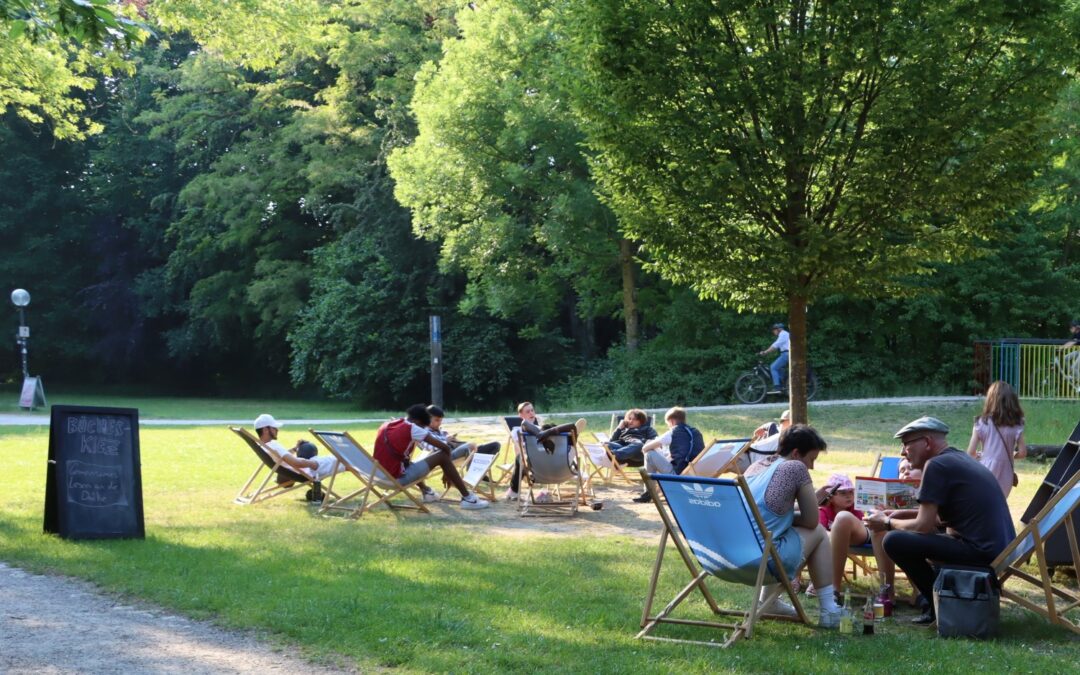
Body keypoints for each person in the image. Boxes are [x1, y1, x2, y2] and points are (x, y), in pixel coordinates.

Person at [866, 416, 1016, 625]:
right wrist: (897, 515)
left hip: (981, 551)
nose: (902, 452)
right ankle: (935, 603)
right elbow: (936, 517)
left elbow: (922, 525)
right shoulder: (958, 458)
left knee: (893, 541)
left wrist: (887, 523)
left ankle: (937, 604)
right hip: (1001, 548)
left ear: (927, 442)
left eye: (906, 444)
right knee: (914, 536)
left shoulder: (936, 465)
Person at [743, 424, 843, 627]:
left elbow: (768, 511)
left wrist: (794, 513)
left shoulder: (756, 467)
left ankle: (769, 603)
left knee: (785, 532)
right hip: (763, 562)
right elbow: (811, 521)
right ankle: (829, 610)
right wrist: (809, 508)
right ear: (797, 453)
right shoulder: (794, 468)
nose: (812, 467)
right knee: (819, 531)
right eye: (811, 459)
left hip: (735, 556)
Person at [373, 404, 489, 510]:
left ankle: (427, 492)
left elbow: (403, 460)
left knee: (408, 462)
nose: (422, 429)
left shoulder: (389, 424)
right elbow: (445, 448)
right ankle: (468, 498)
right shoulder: (413, 428)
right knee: (442, 456)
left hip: (375, 476)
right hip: (394, 480)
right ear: (418, 421)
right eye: (422, 426)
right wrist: (447, 473)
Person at [504, 402, 585, 501]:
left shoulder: (535, 447)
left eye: (532, 410)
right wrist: (550, 432)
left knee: (519, 458)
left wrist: (542, 436)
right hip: (562, 473)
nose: (531, 413)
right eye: (528, 411)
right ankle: (513, 491)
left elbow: (524, 424)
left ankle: (513, 490)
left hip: (539, 474)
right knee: (571, 453)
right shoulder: (569, 450)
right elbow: (572, 426)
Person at [254, 413, 337, 501]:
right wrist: (313, 463)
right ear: (266, 430)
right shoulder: (274, 445)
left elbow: (282, 457)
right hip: (309, 471)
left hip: (295, 471)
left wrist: (295, 449)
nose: (277, 430)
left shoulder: (263, 446)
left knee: (335, 459)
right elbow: (297, 463)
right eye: (274, 428)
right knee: (341, 460)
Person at [966, 381, 1027, 498]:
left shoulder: (981, 422)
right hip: (1006, 471)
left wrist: (981, 455)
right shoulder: (1017, 424)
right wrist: (1010, 455)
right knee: (1000, 503)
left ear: (990, 400)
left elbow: (970, 453)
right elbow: (1023, 453)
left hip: (985, 470)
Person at [633, 407, 705, 503]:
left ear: (671, 421)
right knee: (657, 453)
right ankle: (649, 492)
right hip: (696, 472)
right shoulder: (696, 432)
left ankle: (649, 492)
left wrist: (655, 448)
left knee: (649, 454)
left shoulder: (672, 432)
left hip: (678, 474)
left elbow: (644, 448)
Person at [758, 322, 790, 395]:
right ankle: (783, 384)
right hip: (786, 354)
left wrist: (765, 352)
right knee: (779, 368)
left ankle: (777, 387)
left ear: (778, 329)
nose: (773, 331)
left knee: (773, 367)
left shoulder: (783, 334)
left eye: (774, 330)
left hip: (786, 354)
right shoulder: (785, 334)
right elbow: (776, 346)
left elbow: (775, 345)